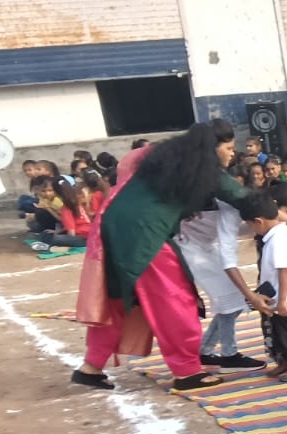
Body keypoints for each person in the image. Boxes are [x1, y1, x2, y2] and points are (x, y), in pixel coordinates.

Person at [72, 120, 250, 392]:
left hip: (113, 225)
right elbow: (241, 196)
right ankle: (187, 372)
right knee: (175, 300)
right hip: (144, 236)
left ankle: (90, 368)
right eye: (228, 147)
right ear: (212, 148)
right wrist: (282, 213)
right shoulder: (203, 167)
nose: (232, 153)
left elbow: (128, 166)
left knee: (119, 302)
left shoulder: (161, 155)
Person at [178, 199, 265, 372]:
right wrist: (249, 294)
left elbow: (231, 229)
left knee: (231, 301)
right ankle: (229, 355)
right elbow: (228, 252)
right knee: (230, 300)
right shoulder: (227, 205)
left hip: (202, 247)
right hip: (192, 251)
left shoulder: (223, 201)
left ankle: (205, 350)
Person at [242, 191, 287, 382]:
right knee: (277, 331)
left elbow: (284, 270)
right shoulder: (273, 237)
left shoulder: (280, 238)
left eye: (250, 225)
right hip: (276, 296)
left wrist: (282, 301)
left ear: (258, 221)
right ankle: (285, 361)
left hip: (283, 297)